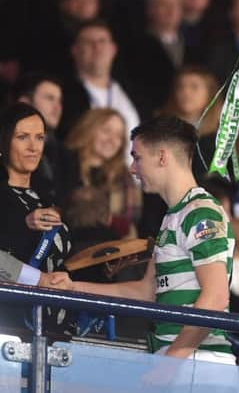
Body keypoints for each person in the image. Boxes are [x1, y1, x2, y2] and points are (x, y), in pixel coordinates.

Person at [69, 115, 236, 363]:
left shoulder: (200, 212)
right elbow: (146, 291)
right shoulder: (175, 215)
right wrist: (70, 287)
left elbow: (216, 297)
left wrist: (171, 362)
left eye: (137, 157)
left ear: (162, 156)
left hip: (198, 364)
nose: (132, 168)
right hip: (182, 362)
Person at [0, 103, 73, 332]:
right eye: (22, 137)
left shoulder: (47, 196)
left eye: (40, 138)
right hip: (8, 325)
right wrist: (39, 280)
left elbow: (58, 263)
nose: (33, 147)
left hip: (52, 324)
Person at [64, 109, 142, 239]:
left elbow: (129, 224)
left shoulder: (123, 177)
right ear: (89, 128)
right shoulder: (64, 162)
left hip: (110, 251)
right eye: (106, 131)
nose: (112, 140)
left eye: (118, 136)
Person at [15, 73, 79, 206]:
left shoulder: (66, 155)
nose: (57, 107)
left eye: (59, 101)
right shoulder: (5, 147)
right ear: (25, 102)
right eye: (49, 98)